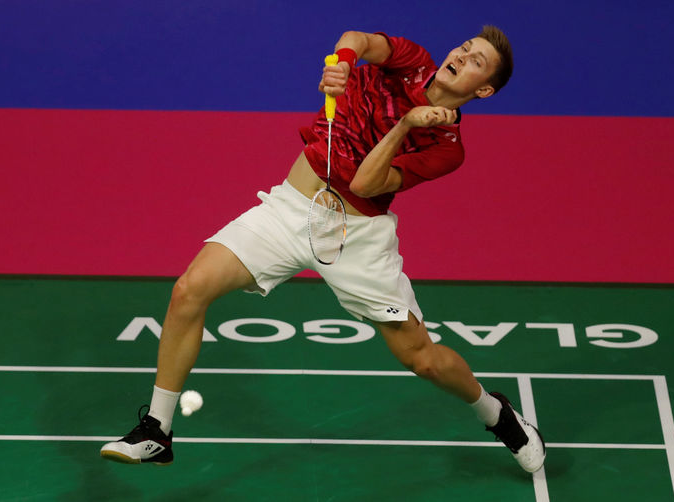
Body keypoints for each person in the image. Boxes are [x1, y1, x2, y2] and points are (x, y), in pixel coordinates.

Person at [101, 27, 545, 473]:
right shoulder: (411, 62)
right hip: (291, 208)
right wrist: (345, 64)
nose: (461, 56)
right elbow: (357, 38)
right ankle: (158, 429)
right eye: (465, 48)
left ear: (483, 89)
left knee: (422, 359)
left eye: (476, 62)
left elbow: (366, 185)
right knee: (189, 290)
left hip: (357, 235)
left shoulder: (446, 148)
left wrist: (407, 124)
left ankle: (496, 414)